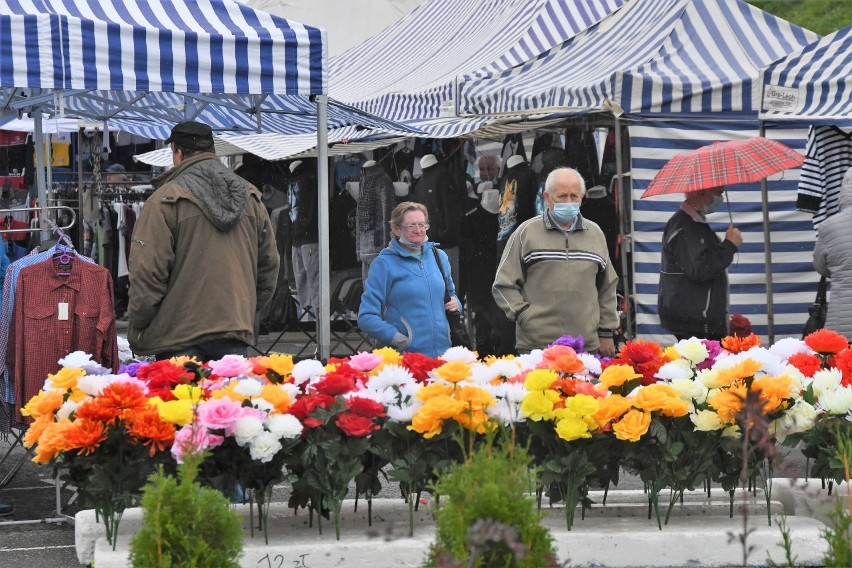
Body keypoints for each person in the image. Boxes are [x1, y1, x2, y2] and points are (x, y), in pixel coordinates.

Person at [127, 121, 279, 360]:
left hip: (177, 334)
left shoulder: (165, 201)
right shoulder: (250, 198)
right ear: (212, 150)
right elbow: (269, 265)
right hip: (233, 329)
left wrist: (140, 322)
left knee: (183, 398)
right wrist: (242, 308)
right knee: (228, 398)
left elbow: (147, 272)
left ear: (177, 152)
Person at [493, 167, 618, 356]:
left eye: (574, 196)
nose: (568, 202)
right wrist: (524, 316)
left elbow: (607, 287)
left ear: (582, 198)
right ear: (547, 197)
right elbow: (503, 285)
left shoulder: (596, 234)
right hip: (536, 347)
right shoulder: (525, 233)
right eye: (561, 196)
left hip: (585, 347)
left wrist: (606, 332)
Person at [358, 201, 460, 358]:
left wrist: (456, 303)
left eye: (422, 225)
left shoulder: (440, 257)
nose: (418, 230)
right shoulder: (383, 264)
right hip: (406, 361)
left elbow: (452, 295)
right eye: (411, 226)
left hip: (443, 357)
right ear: (396, 229)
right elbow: (366, 317)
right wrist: (400, 340)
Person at [657, 186, 743, 340]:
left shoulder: (691, 223)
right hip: (695, 321)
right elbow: (701, 269)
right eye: (719, 193)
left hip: (695, 319)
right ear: (702, 192)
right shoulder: (686, 226)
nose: (721, 198)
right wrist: (729, 245)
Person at [813, 167, 852, 338]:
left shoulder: (828, 226)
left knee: (843, 363)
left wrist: (841, 270)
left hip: (841, 316)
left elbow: (820, 267)